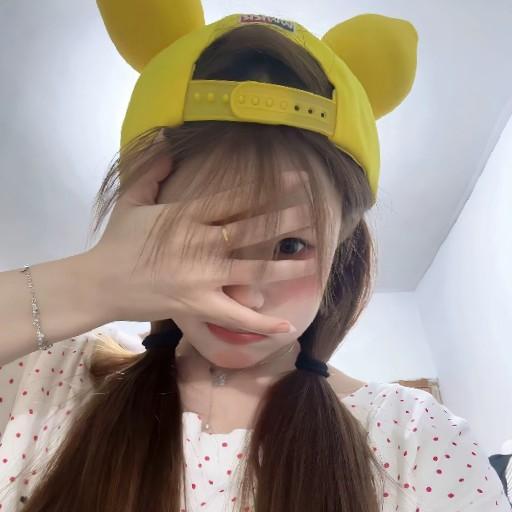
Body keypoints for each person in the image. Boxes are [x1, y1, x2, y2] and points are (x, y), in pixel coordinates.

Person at [0, 1, 510, 511]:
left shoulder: (411, 436)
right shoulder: (53, 380)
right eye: (207, 236)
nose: (243, 297)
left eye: (291, 245)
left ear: (340, 248)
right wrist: (91, 283)